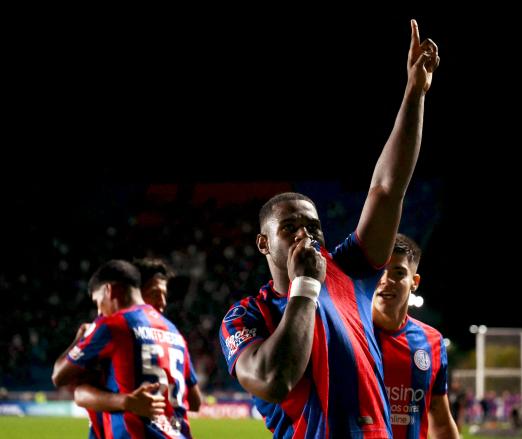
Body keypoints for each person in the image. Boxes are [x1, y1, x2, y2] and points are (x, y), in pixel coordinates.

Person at [219, 19, 440, 438]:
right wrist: (305, 287)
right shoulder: (247, 316)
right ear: (264, 243)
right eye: (291, 227)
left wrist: (414, 93)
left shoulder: (350, 270)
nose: (307, 234)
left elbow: (387, 189)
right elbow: (273, 379)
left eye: (313, 226)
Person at [52, 260, 197, 438]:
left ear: (109, 290)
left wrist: (79, 338)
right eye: (156, 293)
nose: (99, 311)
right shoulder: (174, 332)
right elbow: (195, 402)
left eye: (98, 302)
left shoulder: (112, 325)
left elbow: (59, 377)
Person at [372, 233, 458, 438]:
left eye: (399, 272)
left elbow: (442, 421)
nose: (386, 280)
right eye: (379, 271)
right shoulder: (347, 331)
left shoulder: (432, 341)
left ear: (414, 281)